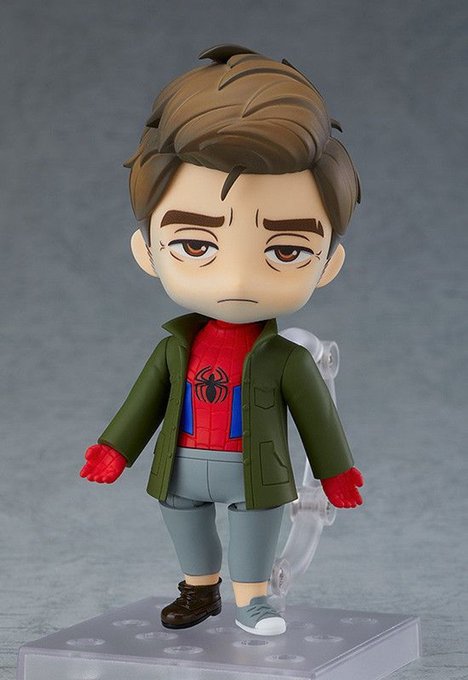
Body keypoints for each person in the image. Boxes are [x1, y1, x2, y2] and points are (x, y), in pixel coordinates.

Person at [80, 44, 364, 636]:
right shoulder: (173, 349)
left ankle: (254, 600)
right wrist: (115, 448)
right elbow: (142, 405)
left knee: (256, 528)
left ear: (328, 265)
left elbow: (318, 419)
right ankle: (199, 589)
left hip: (254, 469)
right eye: (196, 244)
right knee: (183, 520)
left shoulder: (287, 359)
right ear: (147, 252)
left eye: (285, 251)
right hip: (182, 463)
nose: (236, 280)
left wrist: (336, 473)